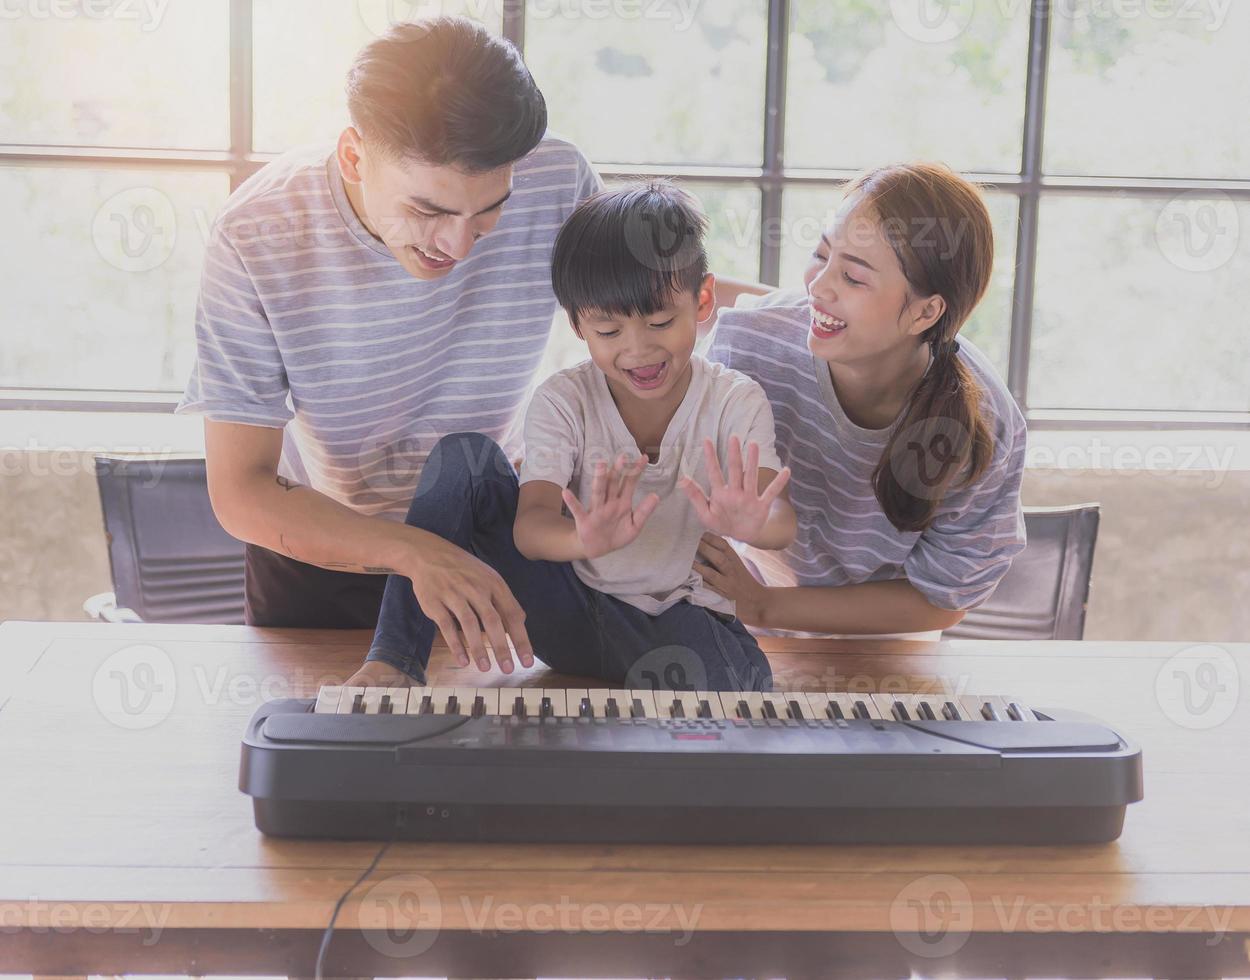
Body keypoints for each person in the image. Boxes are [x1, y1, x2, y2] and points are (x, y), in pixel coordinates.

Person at [363, 182, 795, 691]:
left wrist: (752, 522)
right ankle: (392, 662)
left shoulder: (734, 399)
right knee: (464, 457)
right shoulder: (563, 400)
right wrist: (581, 539)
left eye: (660, 322)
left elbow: (780, 521)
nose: (638, 351)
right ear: (577, 325)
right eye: (608, 332)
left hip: (673, 618)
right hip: (566, 608)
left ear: (702, 301)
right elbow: (530, 528)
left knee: (747, 683)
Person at [696, 162, 1027, 637]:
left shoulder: (983, 423)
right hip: (755, 628)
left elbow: (943, 596)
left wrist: (767, 606)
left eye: (852, 276)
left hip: (890, 647)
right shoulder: (750, 345)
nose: (818, 285)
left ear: (925, 311)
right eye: (821, 254)